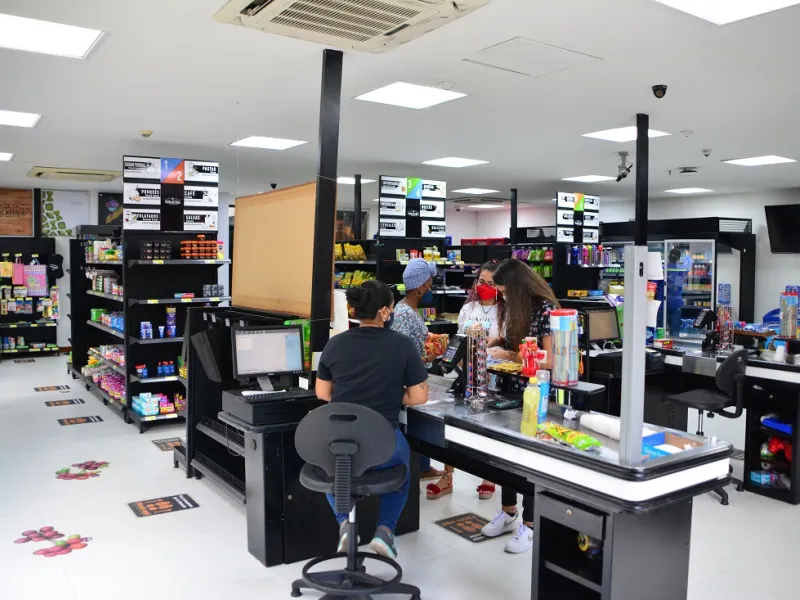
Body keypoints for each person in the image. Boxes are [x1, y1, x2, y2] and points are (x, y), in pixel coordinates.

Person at [316, 280, 429, 559]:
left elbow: (323, 393)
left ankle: (345, 523)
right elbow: (419, 396)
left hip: (341, 445)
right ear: (384, 312)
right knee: (402, 474)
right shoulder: (402, 345)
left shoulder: (335, 344)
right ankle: (385, 531)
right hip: (383, 446)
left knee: (331, 471)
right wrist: (390, 394)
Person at [480, 258, 558, 554]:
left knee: (530, 459)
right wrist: (498, 341)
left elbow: (549, 359)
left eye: (504, 291)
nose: (502, 297)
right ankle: (509, 512)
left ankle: (531, 524)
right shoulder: (518, 307)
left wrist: (511, 355)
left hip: (535, 393)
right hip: (511, 390)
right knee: (506, 454)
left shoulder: (546, 309)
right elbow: (519, 342)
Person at [454, 260, 505, 501]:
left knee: (491, 426)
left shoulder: (506, 311)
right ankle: (449, 474)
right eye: (481, 282)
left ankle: (489, 476)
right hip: (470, 372)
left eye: (491, 283)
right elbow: (460, 338)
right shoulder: (469, 308)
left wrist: (494, 347)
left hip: (496, 375)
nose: (484, 287)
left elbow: (509, 342)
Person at [391, 258, 445, 482]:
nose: (431, 289)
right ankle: (420, 467)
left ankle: (423, 466)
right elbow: (405, 356)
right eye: (429, 284)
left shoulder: (404, 309)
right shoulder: (407, 314)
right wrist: (429, 357)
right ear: (421, 287)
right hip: (408, 382)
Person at [666, 248, 686, 338]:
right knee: (674, 331)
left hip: (666, 302)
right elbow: (677, 286)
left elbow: (675, 286)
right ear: (679, 258)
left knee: (662, 331)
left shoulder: (665, 268)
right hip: (675, 303)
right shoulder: (680, 269)